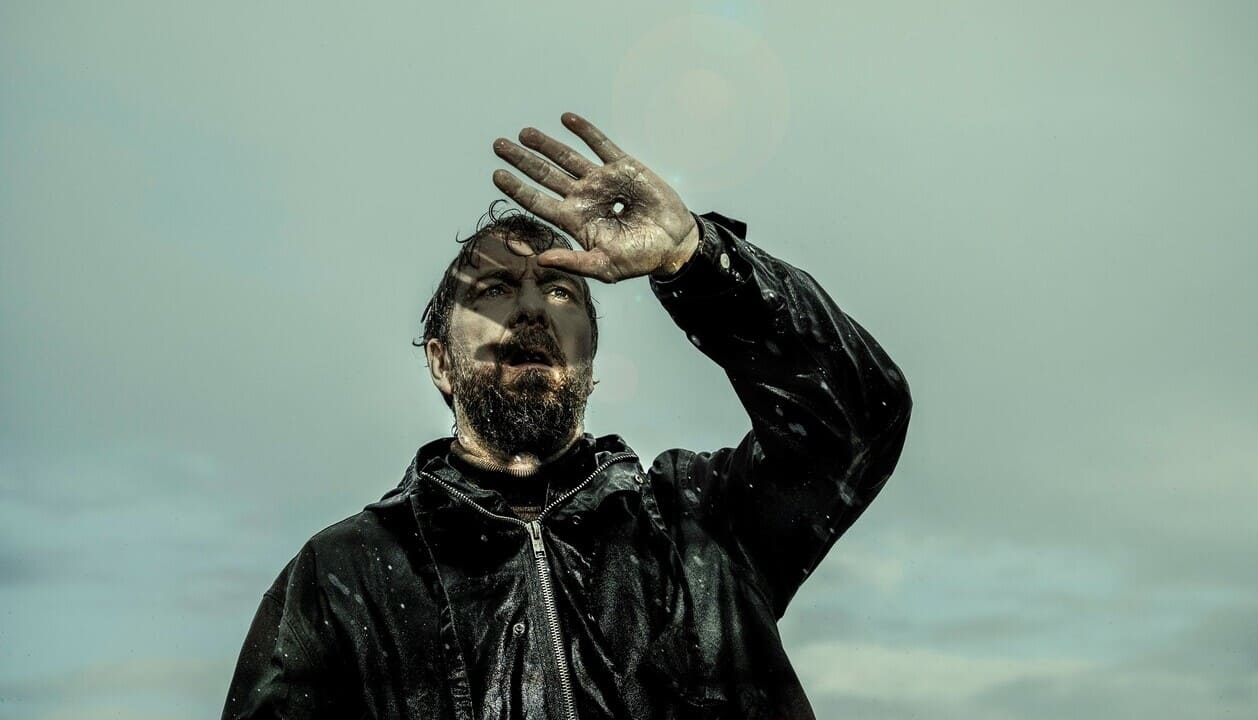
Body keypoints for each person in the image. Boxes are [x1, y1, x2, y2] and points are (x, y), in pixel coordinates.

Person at [222, 112, 912, 720]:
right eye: (493, 290)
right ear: (440, 362)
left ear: (590, 353)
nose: (531, 309)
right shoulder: (344, 577)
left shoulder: (702, 526)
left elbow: (860, 419)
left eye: (559, 291)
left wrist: (694, 257)